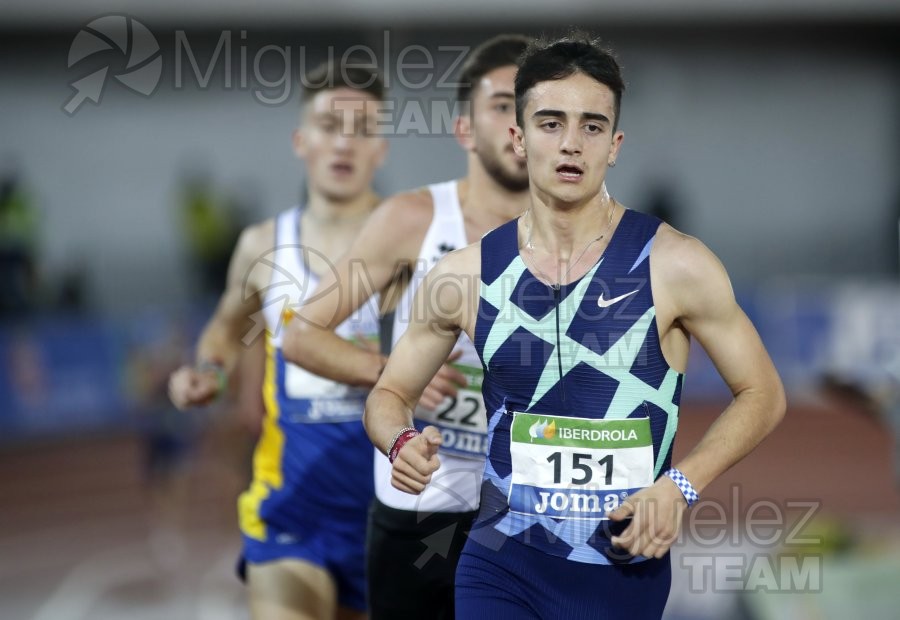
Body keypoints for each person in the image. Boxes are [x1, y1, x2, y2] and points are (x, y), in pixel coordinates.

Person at [364, 33, 786, 619]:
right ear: (518, 137)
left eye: (591, 126)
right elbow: (388, 394)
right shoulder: (463, 277)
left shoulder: (676, 266)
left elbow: (763, 393)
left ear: (614, 145)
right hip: (499, 562)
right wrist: (401, 440)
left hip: (619, 570)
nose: (570, 143)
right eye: (550, 122)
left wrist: (681, 486)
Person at [282, 35, 531, 619]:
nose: (518, 123)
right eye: (501, 105)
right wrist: (393, 375)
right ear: (464, 129)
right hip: (419, 508)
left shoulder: (581, 235)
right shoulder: (413, 220)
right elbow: (301, 332)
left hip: (529, 510)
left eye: (531, 107)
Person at [167, 60, 388, 620]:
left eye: (361, 129)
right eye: (327, 126)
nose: (343, 143)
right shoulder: (263, 246)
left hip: (393, 515)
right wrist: (209, 373)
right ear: (300, 140)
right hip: (291, 508)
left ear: (380, 148)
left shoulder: (418, 244)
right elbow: (225, 326)